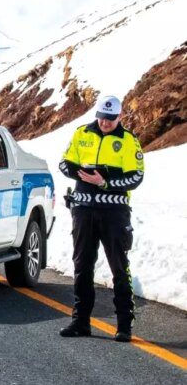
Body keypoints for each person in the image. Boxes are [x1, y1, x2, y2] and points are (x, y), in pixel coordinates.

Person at [58, 95, 145, 342]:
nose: (105, 123)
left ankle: (124, 326)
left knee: (119, 266)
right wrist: (81, 174)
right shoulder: (82, 133)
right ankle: (80, 322)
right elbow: (64, 163)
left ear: (120, 117)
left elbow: (136, 177)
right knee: (82, 265)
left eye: (111, 118)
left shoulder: (128, 140)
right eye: (102, 117)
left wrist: (105, 182)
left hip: (114, 214)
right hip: (83, 210)